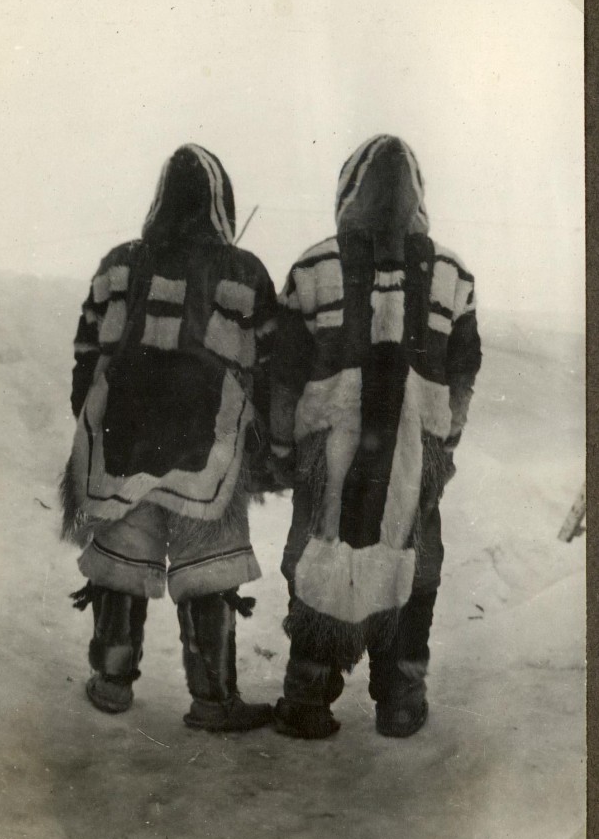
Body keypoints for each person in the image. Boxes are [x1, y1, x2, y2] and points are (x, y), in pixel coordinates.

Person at [269, 134, 482, 739]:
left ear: (346, 191)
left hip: (326, 456)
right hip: (418, 460)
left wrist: (285, 449)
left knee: (315, 558)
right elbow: (465, 366)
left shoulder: (313, 266)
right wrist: (444, 440)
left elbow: (284, 370)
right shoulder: (452, 273)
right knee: (417, 565)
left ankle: (308, 694)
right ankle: (401, 697)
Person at [61, 144, 277, 732]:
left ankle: (111, 681)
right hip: (208, 450)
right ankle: (213, 698)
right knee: (207, 567)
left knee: (122, 561)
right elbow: (270, 361)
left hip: (122, 440)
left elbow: (87, 352)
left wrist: (91, 415)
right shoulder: (246, 271)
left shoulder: (117, 264)